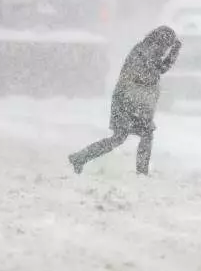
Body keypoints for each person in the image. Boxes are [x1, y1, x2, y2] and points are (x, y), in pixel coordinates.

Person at [68, 25, 182, 176]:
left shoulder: (146, 50)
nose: (165, 50)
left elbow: (159, 68)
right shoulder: (145, 52)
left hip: (133, 101)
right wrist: (173, 53)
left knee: (125, 137)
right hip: (128, 101)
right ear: (161, 42)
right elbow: (156, 70)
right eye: (167, 46)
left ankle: (80, 157)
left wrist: (174, 52)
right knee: (133, 136)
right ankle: (141, 172)